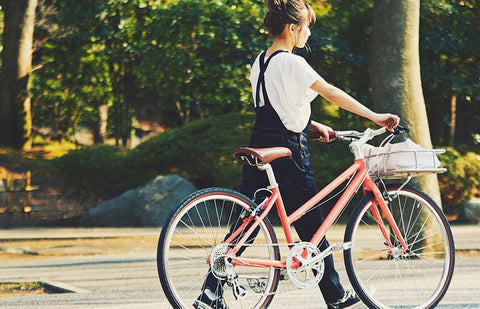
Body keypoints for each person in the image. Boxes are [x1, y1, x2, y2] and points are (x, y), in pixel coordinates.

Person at [194, 1, 400, 308]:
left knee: (247, 223)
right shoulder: (293, 63)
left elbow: (276, 107)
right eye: (306, 27)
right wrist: (374, 116)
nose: (308, 34)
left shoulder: (260, 62)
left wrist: (313, 125)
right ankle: (335, 294)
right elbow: (330, 92)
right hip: (288, 152)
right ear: (292, 28)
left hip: (261, 145)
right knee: (313, 225)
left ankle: (209, 293)